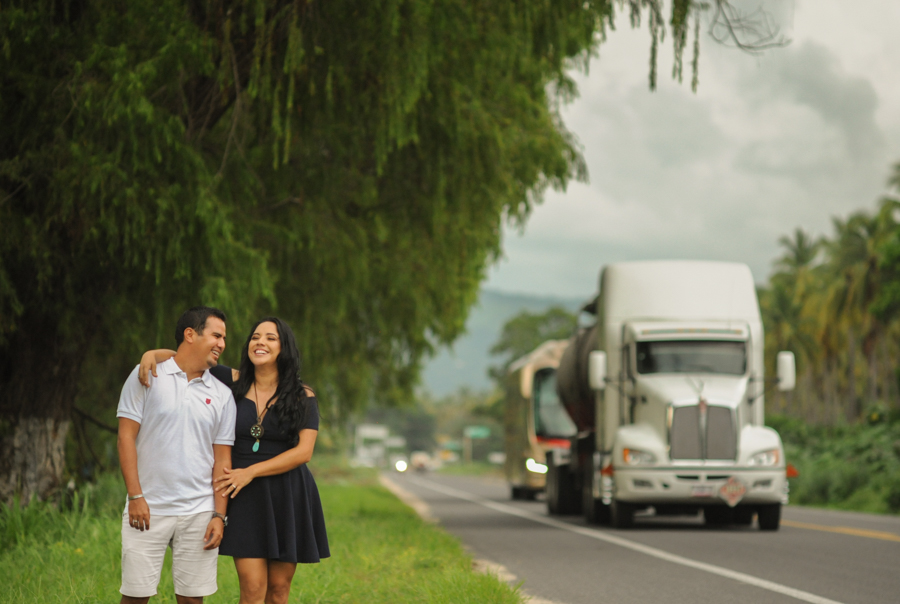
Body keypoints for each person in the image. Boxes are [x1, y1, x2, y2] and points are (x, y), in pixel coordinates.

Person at [140, 317, 329, 604]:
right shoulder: (230, 381)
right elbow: (186, 356)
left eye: (270, 338)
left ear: (284, 347)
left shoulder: (303, 396)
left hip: (287, 494)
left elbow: (304, 452)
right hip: (245, 496)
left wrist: (251, 471)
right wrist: (150, 355)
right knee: (252, 589)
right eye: (255, 337)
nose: (260, 343)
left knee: (278, 591)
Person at [116, 306, 236, 604]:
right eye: (216, 335)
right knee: (135, 596)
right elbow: (126, 437)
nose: (222, 343)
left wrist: (219, 515)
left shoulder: (222, 395)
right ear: (190, 334)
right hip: (147, 507)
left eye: (224, 338)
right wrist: (135, 496)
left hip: (199, 511)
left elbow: (222, 461)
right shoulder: (147, 374)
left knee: (192, 600)